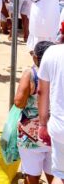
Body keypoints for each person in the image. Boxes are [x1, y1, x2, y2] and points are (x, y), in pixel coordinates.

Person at [15, 41, 55, 184]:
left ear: (36, 58)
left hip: (31, 134)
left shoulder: (31, 74)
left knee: (32, 177)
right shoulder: (60, 72)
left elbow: (19, 102)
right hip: (55, 131)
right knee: (55, 175)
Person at [38, 42, 64, 181]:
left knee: (61, 175)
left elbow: (42, 91)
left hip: (60, 128)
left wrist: (42, 124)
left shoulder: (51, 52)